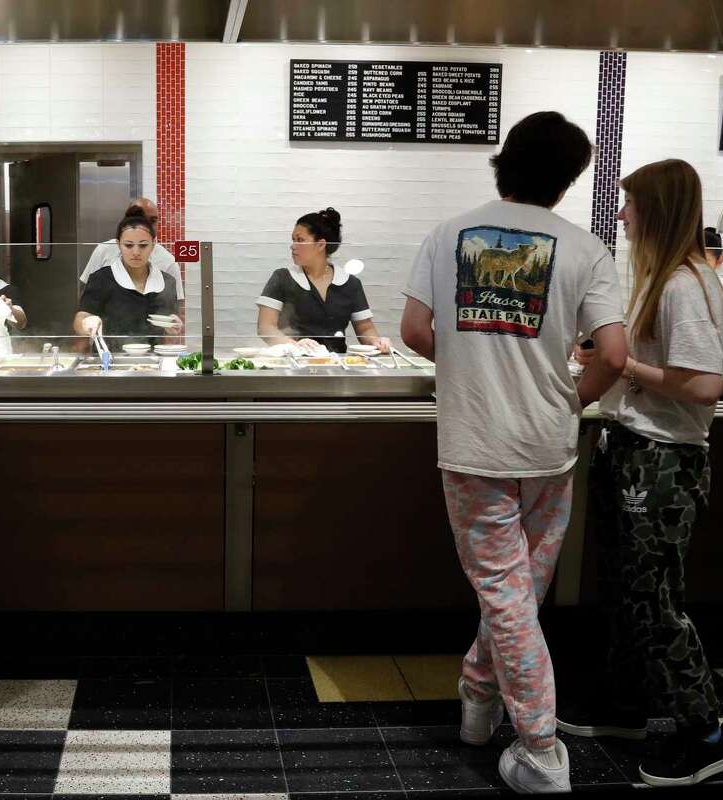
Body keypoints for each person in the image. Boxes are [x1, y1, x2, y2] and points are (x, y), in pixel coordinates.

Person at [400, 111, 629, 794]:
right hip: (549, 445)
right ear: (566, 182)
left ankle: (540, 750)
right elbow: (613, 355)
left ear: (503, 161)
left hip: (476, 444)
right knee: (517, 593)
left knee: (506, 598)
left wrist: (471, 361)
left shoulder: (448, 235)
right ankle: (478, 698)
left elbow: (415, 329)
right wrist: (571, 396)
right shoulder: (585, 248)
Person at [557, 160, 723, 787]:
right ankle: (628, 709)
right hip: (632, 447)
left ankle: (705, 735)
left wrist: (625, 364)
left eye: (630, 204)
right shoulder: (656, 277)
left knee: (655, 601)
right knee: (626, 592)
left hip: (663, 462)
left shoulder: (686, 284)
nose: (622, 215)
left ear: (655, 210)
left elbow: (705, 384)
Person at [257, 208, 393, 354]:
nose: (293, 245)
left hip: (338, 365)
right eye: (293, 240)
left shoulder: (350, 283)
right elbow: (265, 327)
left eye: (300, 240)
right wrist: (293, 345)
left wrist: (377, 341)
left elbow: (365, 328)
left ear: (321, 245)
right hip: (294, 362)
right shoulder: (282, 277)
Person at [74, 214, 182, 345]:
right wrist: (86, 322)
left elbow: (172, 326)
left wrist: (174, 325)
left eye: (143, 245)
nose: (136, 252)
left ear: (153, 245)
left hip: (154, 360)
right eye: (129, 245)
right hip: (110, 359)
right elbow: (80, 319)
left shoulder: (167, 281)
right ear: (119, 244)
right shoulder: (101, 278)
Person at [80, 197, 184, 301]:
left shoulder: (168, 262)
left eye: (152, 221)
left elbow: (176, 306)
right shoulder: (104, 250)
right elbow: (85, 293)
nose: (136, 252)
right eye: (128, 245)